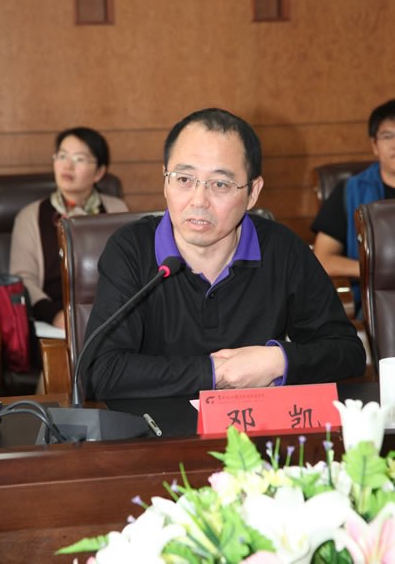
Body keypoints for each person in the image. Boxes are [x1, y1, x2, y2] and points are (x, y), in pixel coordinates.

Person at [83, 108, 365, 401]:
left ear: (253, 192)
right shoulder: (131, 249)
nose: (199, 200)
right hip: (155, 427)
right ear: (165, 180)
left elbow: (348, 352)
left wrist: (277, 361)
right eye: (184, 179)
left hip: (255, 426)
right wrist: (219, 373)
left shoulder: (282, 249)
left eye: (220, 184)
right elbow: (101, 372)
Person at [10, 126, 128, 330]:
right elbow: (23, 279)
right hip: (52, 321)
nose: (67, 165)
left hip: (109, 318)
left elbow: (128, 270)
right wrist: (55, 316)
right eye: (62, 156)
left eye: (79, 159)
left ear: (99, 172)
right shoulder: (30, 216)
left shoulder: (117, 210)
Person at [312, 99, 395, 315]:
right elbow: (323, 258)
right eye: (388, 136)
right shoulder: (350, 191)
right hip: (375, 307)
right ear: (374, 145)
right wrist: (379, 272)